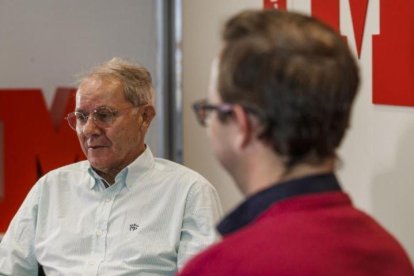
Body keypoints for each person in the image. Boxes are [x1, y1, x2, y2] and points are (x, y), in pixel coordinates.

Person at [179, 9, 414, 275]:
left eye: (210, 110)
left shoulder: (221, 267)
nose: (208, 125)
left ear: (241, 124)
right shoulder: (390, 255)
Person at [0, 58, 222, 275]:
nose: (89, 129)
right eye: (81, 117)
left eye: (104, 115)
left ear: (145, 117)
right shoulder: (50, 188)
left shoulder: (189, 192)